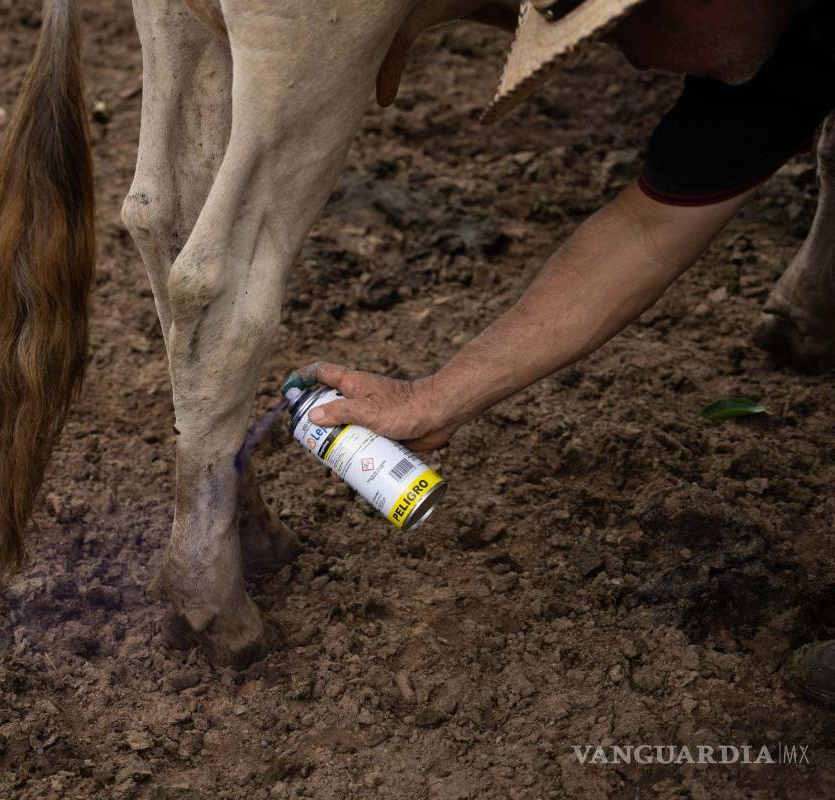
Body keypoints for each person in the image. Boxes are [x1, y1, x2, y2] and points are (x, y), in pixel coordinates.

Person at [289, 0, 835, 706]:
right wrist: (434, 397)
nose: (625, 51)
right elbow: (646, 232)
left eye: (634, 15)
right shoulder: (766, 67)